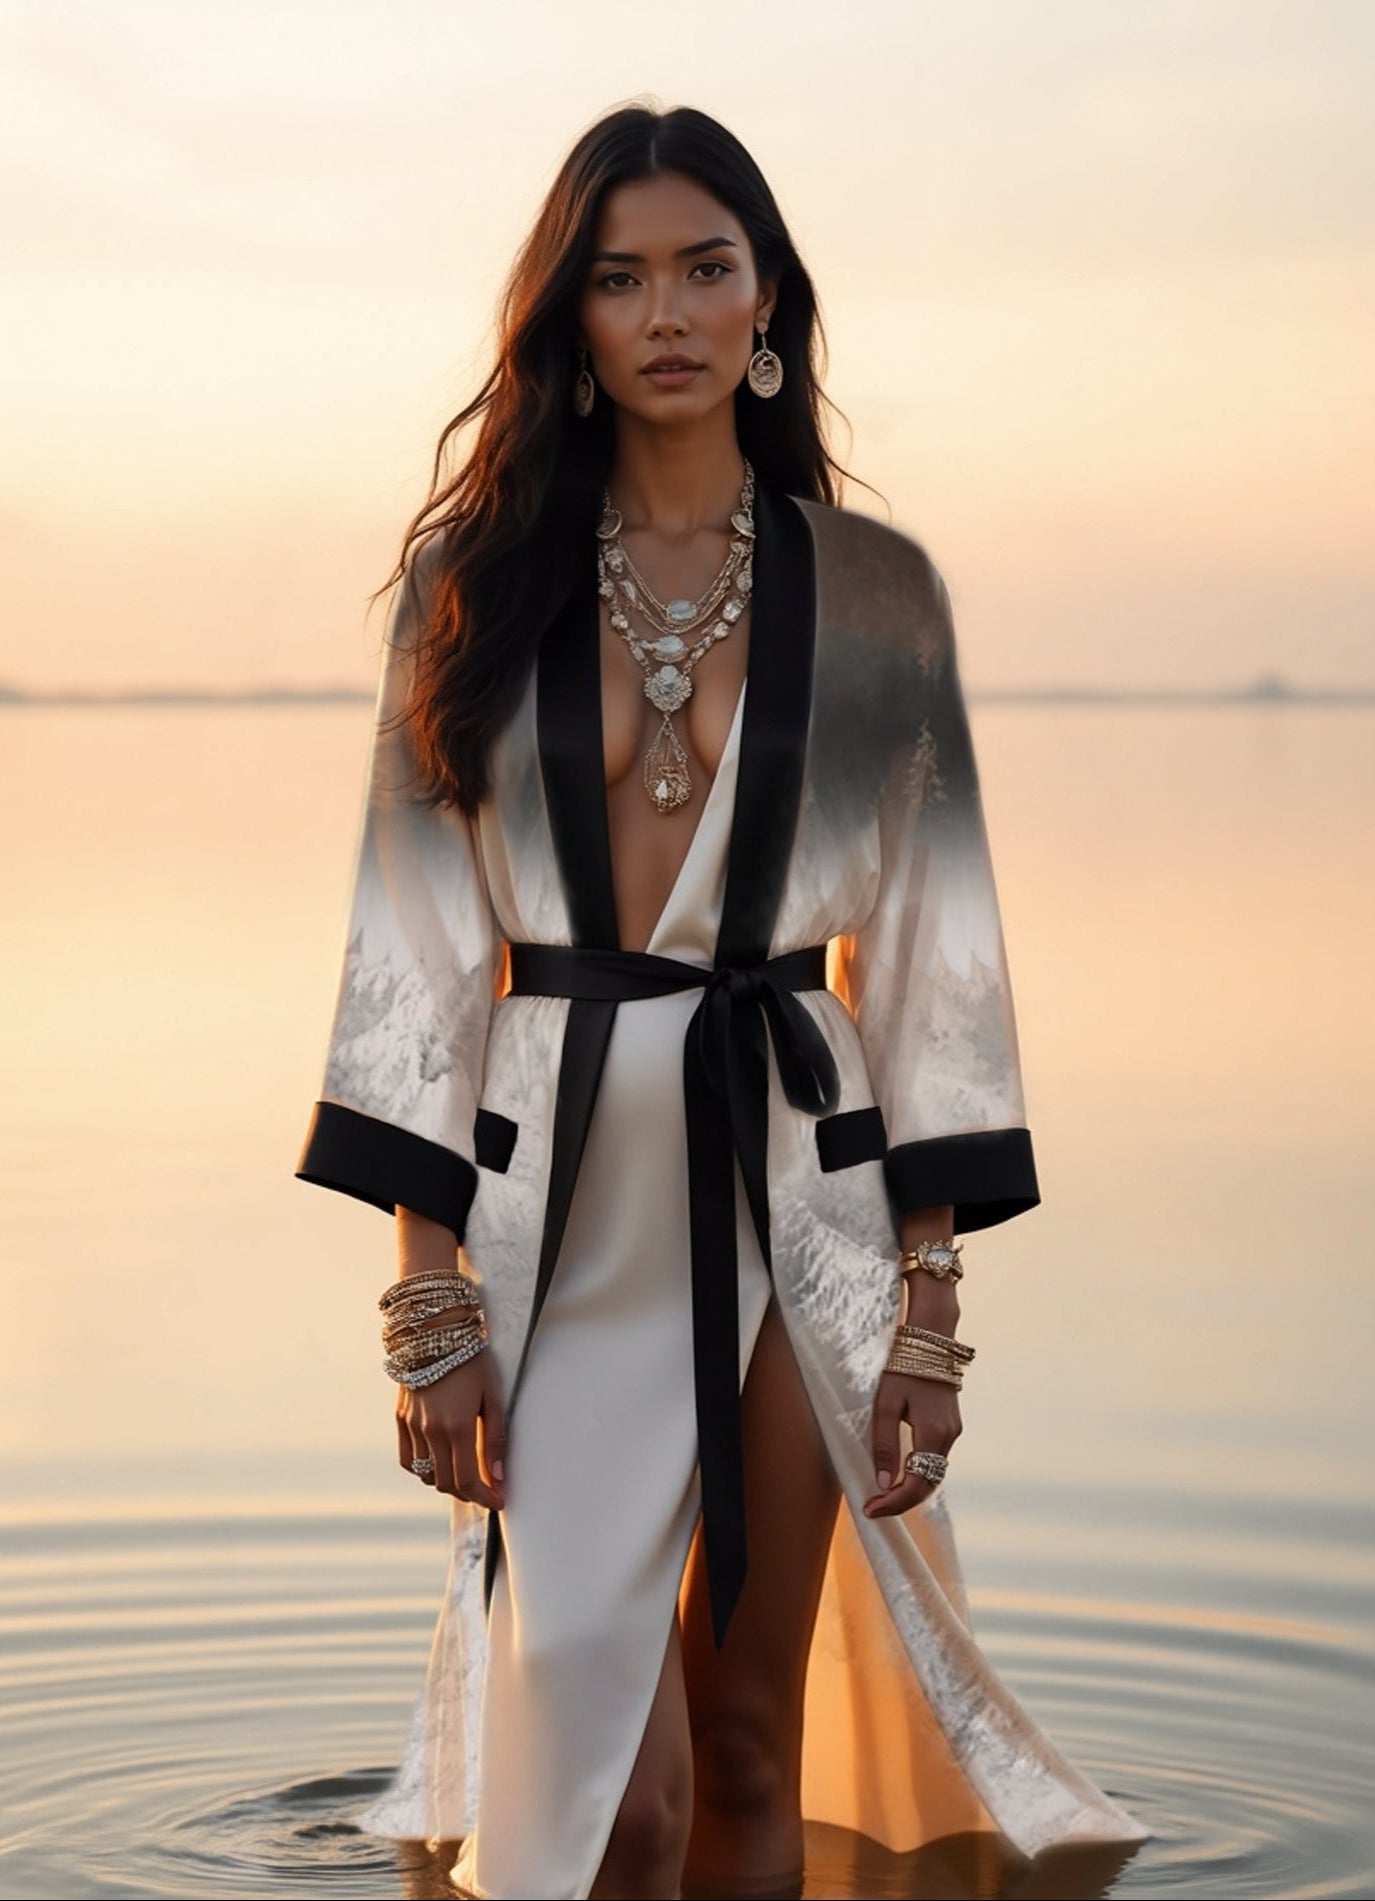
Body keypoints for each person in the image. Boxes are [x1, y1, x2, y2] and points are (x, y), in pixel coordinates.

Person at [294, 102, 1149, 1901]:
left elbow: (938, 960)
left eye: (705, 267)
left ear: (767, 305)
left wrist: (929, 1305)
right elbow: (413, 957)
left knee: (748, 1736)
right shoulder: (470, 593)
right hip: (555, 1199)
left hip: (808, 1182)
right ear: (573, 327)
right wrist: (422, 1291)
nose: (667, 310)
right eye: (620, 277)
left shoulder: (884, 597)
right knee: (625, 1794)